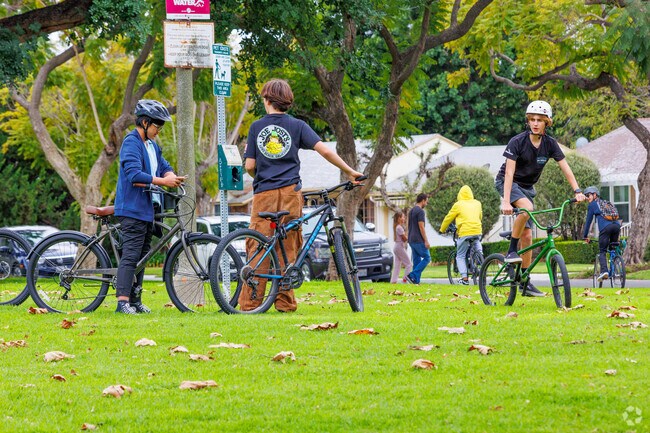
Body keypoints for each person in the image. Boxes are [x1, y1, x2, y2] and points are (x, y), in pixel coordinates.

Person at [243, 78, 363, 312]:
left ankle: (250, 303)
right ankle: (285, 303)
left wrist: (262, 172)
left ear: (267, 100)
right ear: (286, 101)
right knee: (288, 246)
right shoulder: (297, 126)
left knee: (259, 245)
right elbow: (324, 150)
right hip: (290, 193)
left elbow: (249, 165)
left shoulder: (257, 127)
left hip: (264, 193)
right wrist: (349, 171)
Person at [495, 100, 586, 297]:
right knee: (527, 207)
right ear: (528, 121)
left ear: (547, 122)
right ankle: (511, 250)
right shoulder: (517, 142)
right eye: (532, 120)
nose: (535, 123)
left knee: (527, 236)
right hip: (507, 183)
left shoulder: (550, 144)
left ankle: (525, 281)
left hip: (527, 187)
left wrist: (577, 190)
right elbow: (509, 174)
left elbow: (565, 167)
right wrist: (506, 200)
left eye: (539, 120)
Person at [114, 99, 186, 314]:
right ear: (145, 123)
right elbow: (134, 174)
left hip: (148, 209)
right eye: (157, 126)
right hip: (132, 208)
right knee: (132, 254)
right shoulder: (131, 142)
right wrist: (164, 182)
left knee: (144, 254)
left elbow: (163, 166)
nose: (159, 131)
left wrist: (171, 175)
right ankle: (122, 302)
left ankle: (135, 300)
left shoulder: (152, 146)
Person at [439, 185, 483, 285]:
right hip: (477, 230)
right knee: (477, 242)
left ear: (460, 195)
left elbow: (448, 218)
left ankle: (464, 279)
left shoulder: (458, 204)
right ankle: (481, 257)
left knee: (460, 255)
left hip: (465, 232)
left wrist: (442, 229)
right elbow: (480, 216)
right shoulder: (477, 203)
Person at [582, 186, 621, 282]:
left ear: (595, 195)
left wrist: (585, 236)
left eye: (589, 195)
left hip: (605, 228)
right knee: (612, 248)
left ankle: (604, 271)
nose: (587, 198)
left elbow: (588, 221)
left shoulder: (592, 205)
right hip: (616, 226)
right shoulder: (606, 203)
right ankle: (617, 267)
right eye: (586, 196)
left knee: (602, 250)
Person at [405, 193, 431, 285]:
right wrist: (426, 241)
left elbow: (409, 226)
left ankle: (416, 281)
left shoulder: (411, 211)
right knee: (427, 258)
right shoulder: (420, 211)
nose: (426, 204)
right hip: (418, 239)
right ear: (423, 200)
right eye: (426, 202)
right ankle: (412, 275)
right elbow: (421, 227)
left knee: (417, 260)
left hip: (411, 239)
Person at [390, 210, 412, 283]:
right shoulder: (399, 227)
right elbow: (404, 239)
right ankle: (405, 280)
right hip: (399, 247)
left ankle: (393, 281)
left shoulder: (397, 227)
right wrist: (409, 237)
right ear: (399, 218)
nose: (404, 218)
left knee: (397, 266)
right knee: (409, 264)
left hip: (397, 247)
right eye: (403, 217)